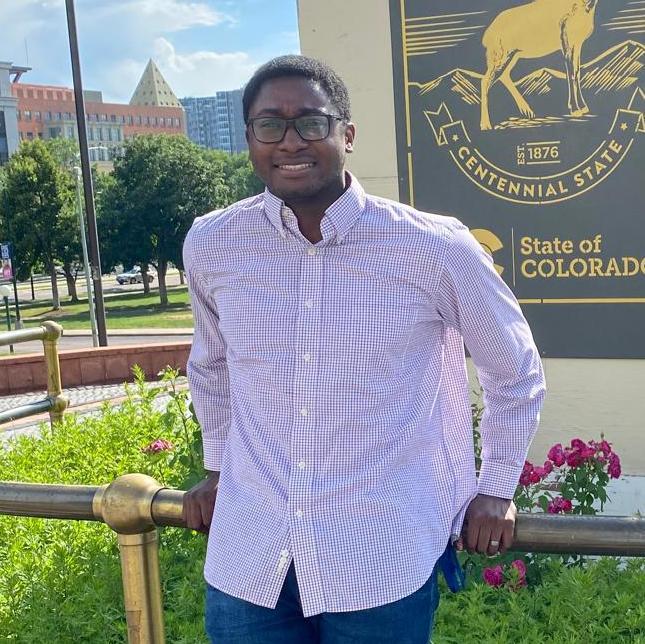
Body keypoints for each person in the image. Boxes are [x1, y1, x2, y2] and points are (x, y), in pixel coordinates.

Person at [182, 55, 546, 644]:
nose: (290, 141)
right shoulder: (213, 242)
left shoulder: (434, 247)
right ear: (249, 139)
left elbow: (515, 370)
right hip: (250, 554)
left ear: (347, 134)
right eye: (269, 125)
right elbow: (213, 366)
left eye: (311, 122)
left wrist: (496, 486)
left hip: (378, 557)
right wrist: (218, 467)